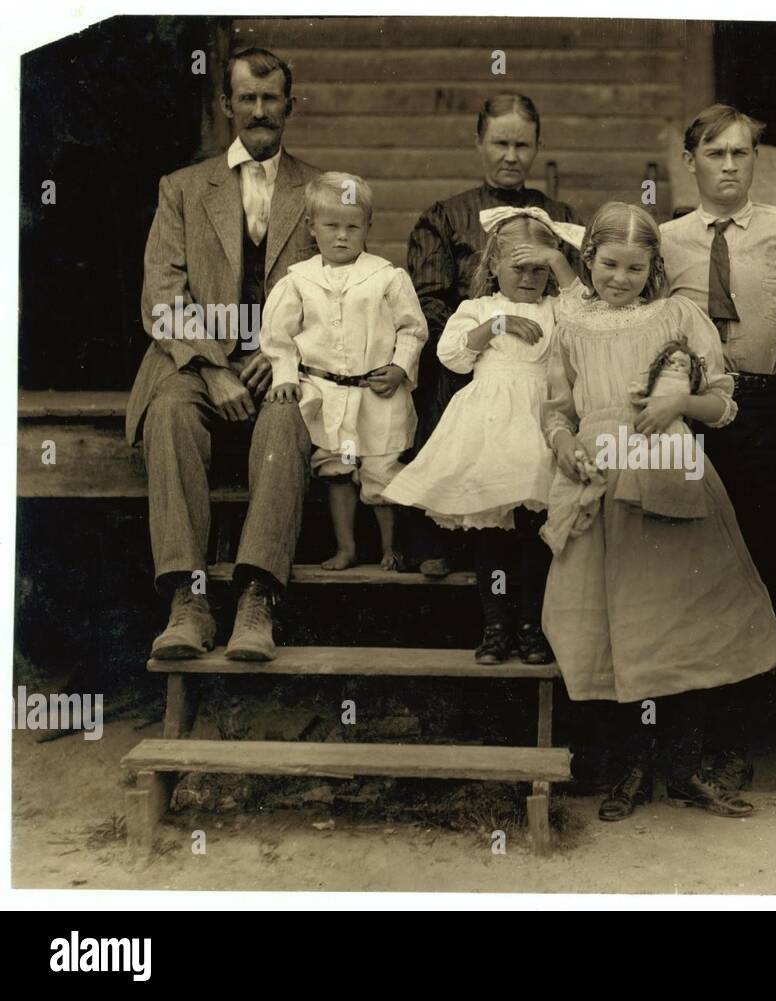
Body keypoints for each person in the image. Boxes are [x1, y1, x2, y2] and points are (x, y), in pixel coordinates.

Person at [540, 202, 776, 821]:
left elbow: (724, 403)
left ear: (654, 267)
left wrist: (678, 403)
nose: (619, 278)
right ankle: (631, 767)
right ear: (588, 260)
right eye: (608, 265)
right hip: (600, 477)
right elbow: (555, 408)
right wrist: (564, 446)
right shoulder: (569, 323)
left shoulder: (678, 316)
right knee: (615, 624)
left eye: (634, 267)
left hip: (670, 471)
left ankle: (685, 766)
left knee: (684, 621)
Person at [128, 47, 319, 662]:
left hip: (280, 364)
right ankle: (187, 598)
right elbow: (161, 297)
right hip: (191, 361)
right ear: (226, 105)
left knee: (289, 417)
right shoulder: (183, 189)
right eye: (247, 98)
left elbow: (342, 292)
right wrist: (212, 366)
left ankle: (257, 599)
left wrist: (283, 352)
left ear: (289, 105)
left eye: (271, 99)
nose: (260, 111)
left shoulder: (319, 191)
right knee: (171, 414)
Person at [660, 103, 776, 791]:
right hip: (689, 416)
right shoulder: (665, 239)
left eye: (741, 154)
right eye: (715, 154)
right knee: (687, 569)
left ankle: (736, 738)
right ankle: (678, 741)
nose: (729, 166)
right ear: (691, 161)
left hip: (766, 406)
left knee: (756, 567)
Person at [384, 207, 583, 665]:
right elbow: (451, 356)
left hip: (540, 423)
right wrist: (495, 326)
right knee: (491, 532)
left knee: (536, 532)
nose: (530, 278)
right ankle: (496, 625)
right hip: (490, 426)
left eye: (539, 269)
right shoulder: (478, 308)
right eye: (519, 267)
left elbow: (584, 310)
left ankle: (532, 625)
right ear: (493, 266)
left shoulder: (557, 309)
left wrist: (558, 262)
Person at [404, 93, 582, 578]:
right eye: (500, 143)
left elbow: (578, 299)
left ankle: (531, 535)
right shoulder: (444, 215)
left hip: (543, 358)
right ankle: (446, 537)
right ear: (478, 142)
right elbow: (429, 299)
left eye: (523, 145)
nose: (511, 156)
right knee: (455, 389)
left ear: (538, 146)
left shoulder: (560, 216)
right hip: (468, 354)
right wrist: (481, 344)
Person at [259, 172, 428, 573]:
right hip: (328, 393)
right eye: (331, 226)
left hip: (376, 394)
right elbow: (278, 335)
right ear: (311, 227)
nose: (341, 236)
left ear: (368, 226)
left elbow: (412, 328)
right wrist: (284, 375)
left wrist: (399, 367)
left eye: (353, 227)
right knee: (337, 469)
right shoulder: (299, 280)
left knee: (380, 471)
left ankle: (391, 546)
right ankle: (347, 547)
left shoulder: (386, 276)